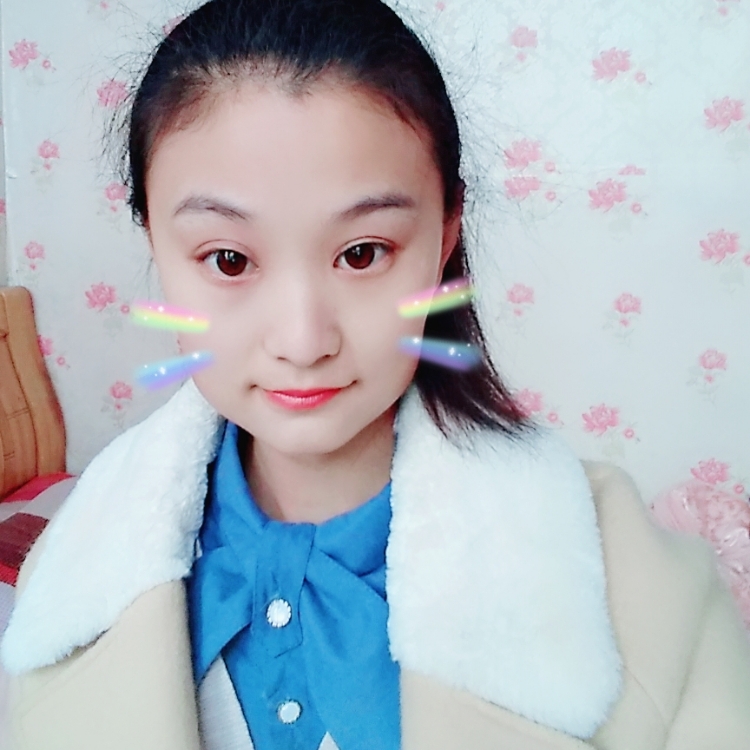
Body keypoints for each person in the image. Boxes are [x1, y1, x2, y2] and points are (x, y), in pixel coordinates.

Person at [2, 0, 750, 748]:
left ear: (445, 234)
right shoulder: (68, 573)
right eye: (228, 260)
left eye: (362, 254)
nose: (302, 341)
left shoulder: (644, 592)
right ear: (156, 246)